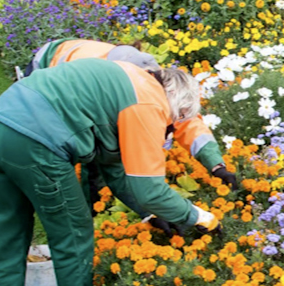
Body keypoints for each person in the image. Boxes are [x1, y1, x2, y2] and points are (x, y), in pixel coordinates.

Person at [0, 59, 216, 286]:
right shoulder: (149, 103)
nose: (171, 128)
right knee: (72, 235)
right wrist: (198, 217)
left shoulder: (131, 81)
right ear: (178, 103)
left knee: (6, 234)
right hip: (39, 142)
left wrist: (149, 214)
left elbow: (116, 170)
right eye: (177, 120)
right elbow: (150, 190)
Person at [23, 38, 238, 189]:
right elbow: (95, 134)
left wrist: (216, 165)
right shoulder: (117, 87)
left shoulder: (161, 83)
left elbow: (186, 120)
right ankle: (79, 202)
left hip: (79, 58)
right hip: (49, 62)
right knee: (78, 149)